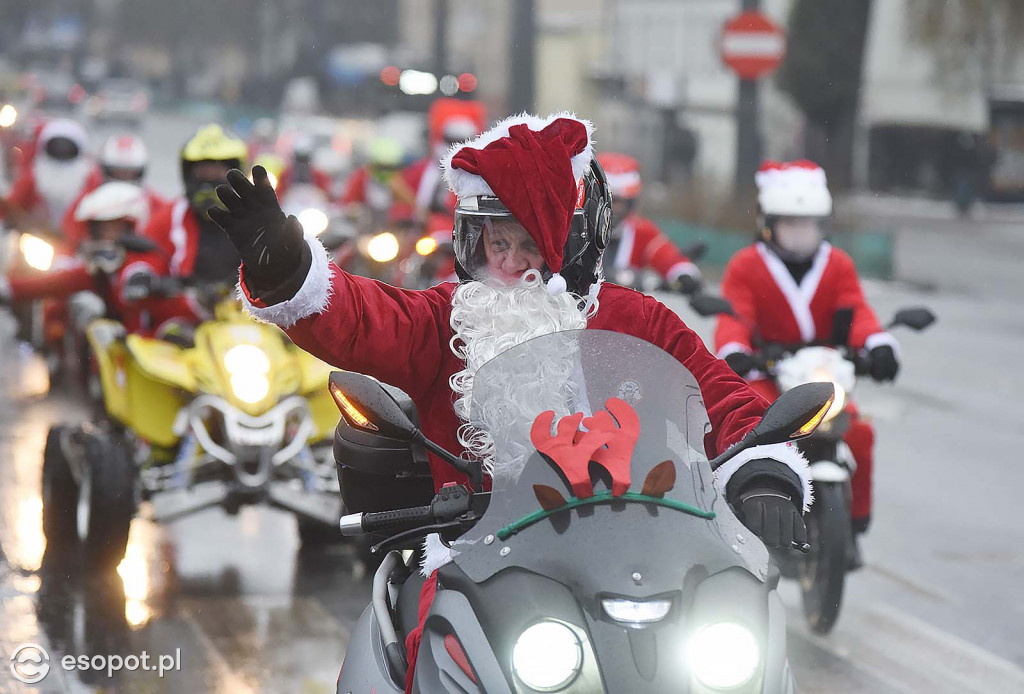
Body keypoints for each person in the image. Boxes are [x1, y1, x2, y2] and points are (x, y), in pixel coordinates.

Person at [211, 114, 813, 691]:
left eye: (526, 242)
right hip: (479, 562)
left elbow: (727, 400)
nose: (505, 263)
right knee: (421, 658)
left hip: (645, 556)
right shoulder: (447, 321)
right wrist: (288, 268)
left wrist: (763, 471)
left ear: (570, 242)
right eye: (491, 241)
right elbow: (358, 319)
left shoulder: (637, 320)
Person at [714, 159, 900, 566]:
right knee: (752, 432)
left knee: (861, 434)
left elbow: (857, 312)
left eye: (811, 225)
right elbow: (734, 318)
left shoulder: (838, 265)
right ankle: (743, 523)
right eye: (791, 225)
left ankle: (855, 523)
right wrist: (736, 352)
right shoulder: (746, 265)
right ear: (768, 223)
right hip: (767, 374)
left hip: (821, 376)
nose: (802, 235)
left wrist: (877, 344)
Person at [1, 181, 200, 336]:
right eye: (101, 229)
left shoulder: (151, 259)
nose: (108, 237)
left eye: (115, 228)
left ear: (133, 228)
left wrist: (143, 282)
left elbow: (142, 273)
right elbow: (54, 283)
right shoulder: (99, 269)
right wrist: (8, 290)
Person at [135, 124, 245, 301]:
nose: (209, 181)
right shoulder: (168, 218)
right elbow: (142, 262)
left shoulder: (257, 219)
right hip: (187, 320)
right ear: (188, 174)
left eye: (217, 172)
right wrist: (150, 280)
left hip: (249, 320)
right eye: (202, 172)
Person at [597, 151, 702, 294]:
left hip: (619, 308)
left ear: (631, 203)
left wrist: (684, 274)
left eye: (619, 202)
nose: (613, 208)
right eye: (608, 200)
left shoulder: (642, 231)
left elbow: (666, 257)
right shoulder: (575, 225)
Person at [62, 134, 169, 250]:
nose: (123, 178)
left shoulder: (154, 203)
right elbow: (68, 235)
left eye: (129, 173)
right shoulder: (88, 200)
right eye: (117, 172)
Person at [0, 118, 93, 230]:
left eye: (66, 145)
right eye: (57, 144)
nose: (61, 149)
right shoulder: (34, 173)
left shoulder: (89, 175)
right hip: (38, 235)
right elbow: (14, 202)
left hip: (79, 238)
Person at [339, 137, 404, 226]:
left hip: (390, 228)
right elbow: (347, 203)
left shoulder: (399, 181)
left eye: (389, 168)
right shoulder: (360, 179)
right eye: (381, 167)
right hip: (364, 227)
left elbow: (410, 206)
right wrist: (354, 210)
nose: (384, 171)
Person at [273, 135, 333, 199]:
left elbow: (326, 194)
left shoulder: (318, 175)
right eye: (299, 159)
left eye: (304, 159)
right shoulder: (286, 175)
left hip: (312, 206)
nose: (302, 163)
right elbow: (278, 193)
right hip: (290, 207)